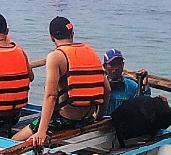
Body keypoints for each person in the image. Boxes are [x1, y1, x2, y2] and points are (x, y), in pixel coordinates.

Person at [17, 16, 108, 146]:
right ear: (72, 33)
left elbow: (51, 95)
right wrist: (98, 118)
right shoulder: (90, 51)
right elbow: (107, 90)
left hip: (65, 120)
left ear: (51, 37)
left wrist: (42, 131)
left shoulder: (55, 56)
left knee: (14, 139)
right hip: (88, 118)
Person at [102, 50, 146, 116]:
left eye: (119, 64)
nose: (116, 67)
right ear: (105, 67)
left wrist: (145, 86)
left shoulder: (132, 87)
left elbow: (143, 105)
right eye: (112, 64)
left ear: (123, 65)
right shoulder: (100, 87)